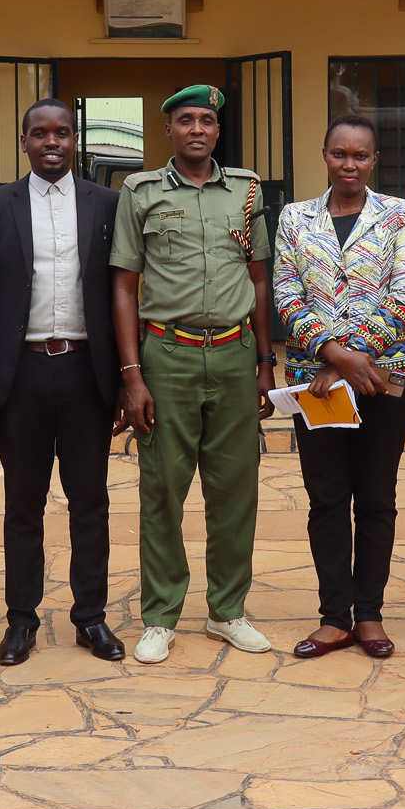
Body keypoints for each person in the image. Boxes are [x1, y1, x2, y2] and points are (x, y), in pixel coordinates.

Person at [111, 84, 276, 665]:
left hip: (233, 356)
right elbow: (125, 286)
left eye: (208, 120)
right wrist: (132, 375)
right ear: (169, 131)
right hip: (167, 356)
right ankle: (160, 616)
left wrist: (263, 361)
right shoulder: (140, 192)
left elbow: (259, 279)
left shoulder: (248, 191)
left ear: (217, 130)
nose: (198, 129)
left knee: (236, 490)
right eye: (186, 120)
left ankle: (228, 611)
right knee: (163, 490)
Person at [0, 99, 127, 666]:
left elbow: (123, 292)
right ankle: (21, 620)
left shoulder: (109, 203)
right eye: (40, 134)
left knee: (90, 502)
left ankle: (91, 618)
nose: (51, 142)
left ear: (75, 140)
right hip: (22, 374)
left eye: (62, 133)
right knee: (22, 504)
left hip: (88, 372)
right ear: (24, 141)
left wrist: (127, 381)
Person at [272, 113, 405, 660]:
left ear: (375, 160)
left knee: (377, 500)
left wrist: (350, 361)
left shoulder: (399, 215)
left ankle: (371, 615)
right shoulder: (295, 217)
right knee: (327, 501)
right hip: (318, 388)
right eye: (340, 154)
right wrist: (334, 358)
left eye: (361, 155)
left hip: (386, 382)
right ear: (325, 155)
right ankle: (334, 617)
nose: (350, 164)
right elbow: (286, 296)